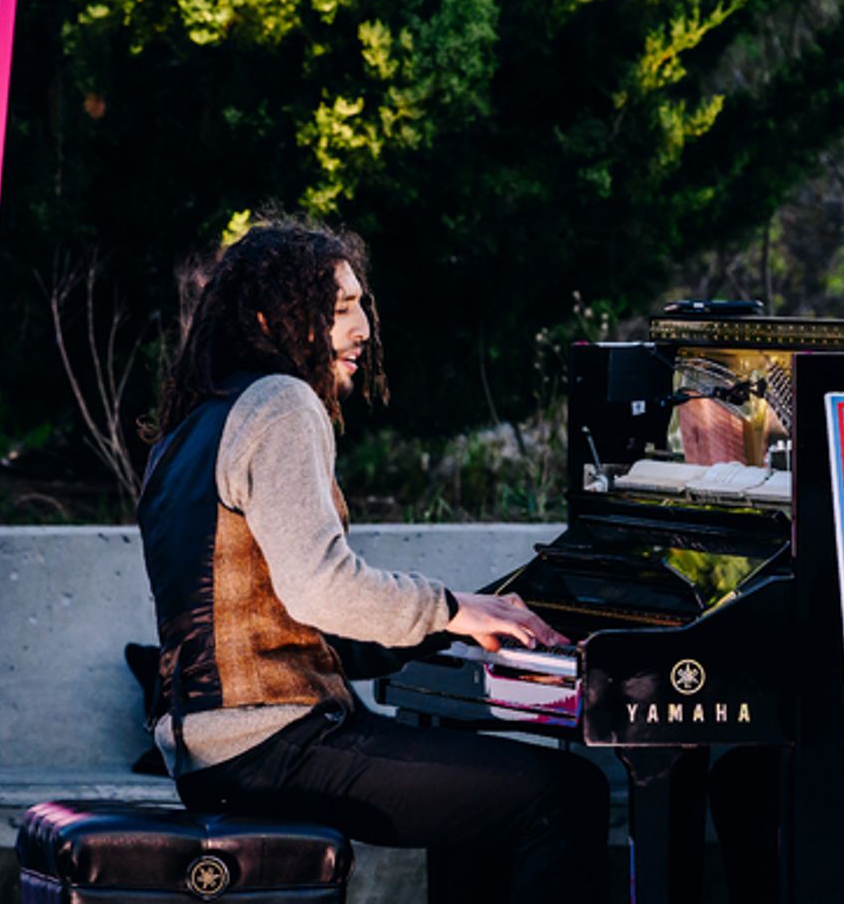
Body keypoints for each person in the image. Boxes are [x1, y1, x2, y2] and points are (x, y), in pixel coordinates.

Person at [136, 217, 608, 903]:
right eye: (339, 311)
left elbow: (283, 619)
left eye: (362, 306)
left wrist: (451, 627)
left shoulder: (185, 432)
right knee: (564, 793)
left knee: (482, 807)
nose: (362, 329)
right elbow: (321, 588)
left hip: (211, 753)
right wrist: (449, 606)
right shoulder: (281, 402)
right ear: (271, 318)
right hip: (273, 745)